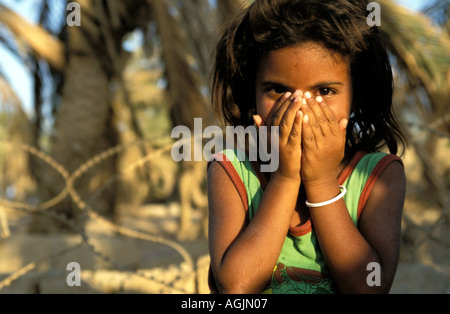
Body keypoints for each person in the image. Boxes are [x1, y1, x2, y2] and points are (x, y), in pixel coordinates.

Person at [207, 0, 407, 294]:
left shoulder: (378, 178)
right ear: (252, 92)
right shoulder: (231, 171)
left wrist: (322, 182)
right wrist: (285, 178)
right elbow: (236, 288)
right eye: (278, 90)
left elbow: (370, 288)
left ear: (356, 93)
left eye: (325, 91)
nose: (301, 109)